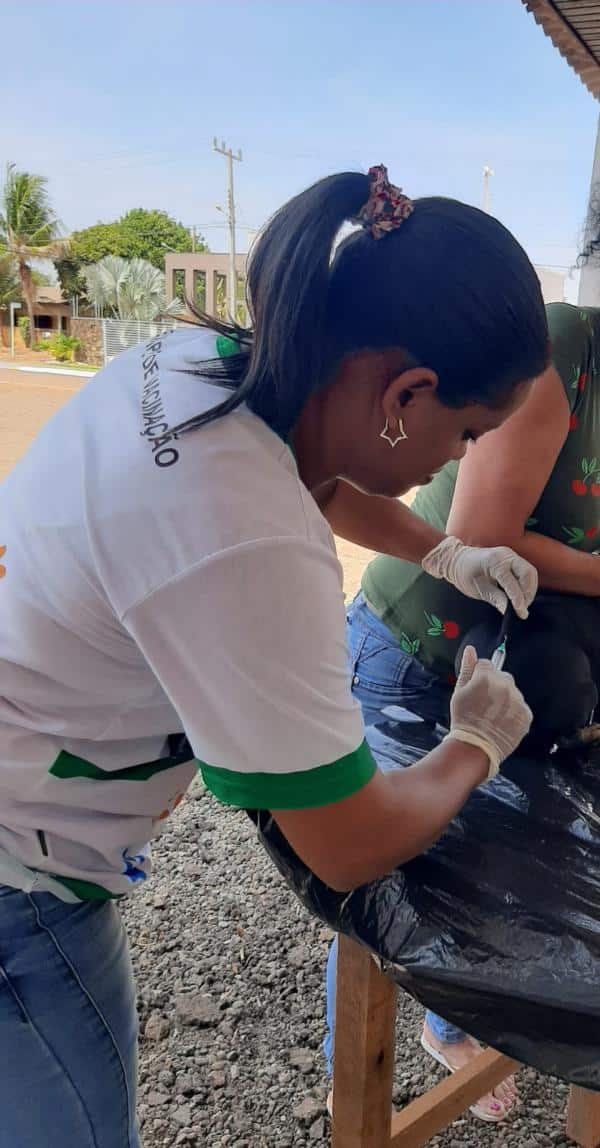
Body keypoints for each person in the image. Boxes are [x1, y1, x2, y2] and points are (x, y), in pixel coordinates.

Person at [0, 165, 547, 1147]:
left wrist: (444, 550)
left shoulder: (198, 363)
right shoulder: (252, 539)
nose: (459, 460)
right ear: (408, 391)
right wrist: (476, 741)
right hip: (18, 869)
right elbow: (343, 839)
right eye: (465, 430)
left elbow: (318, 474)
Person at [323, 299, 600, 1122]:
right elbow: (482, 528)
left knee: (482, 875)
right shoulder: (564, 347)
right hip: (414, 654)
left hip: (522, 674)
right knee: (373, 880)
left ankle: (447, 1021)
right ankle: (352, 1080)